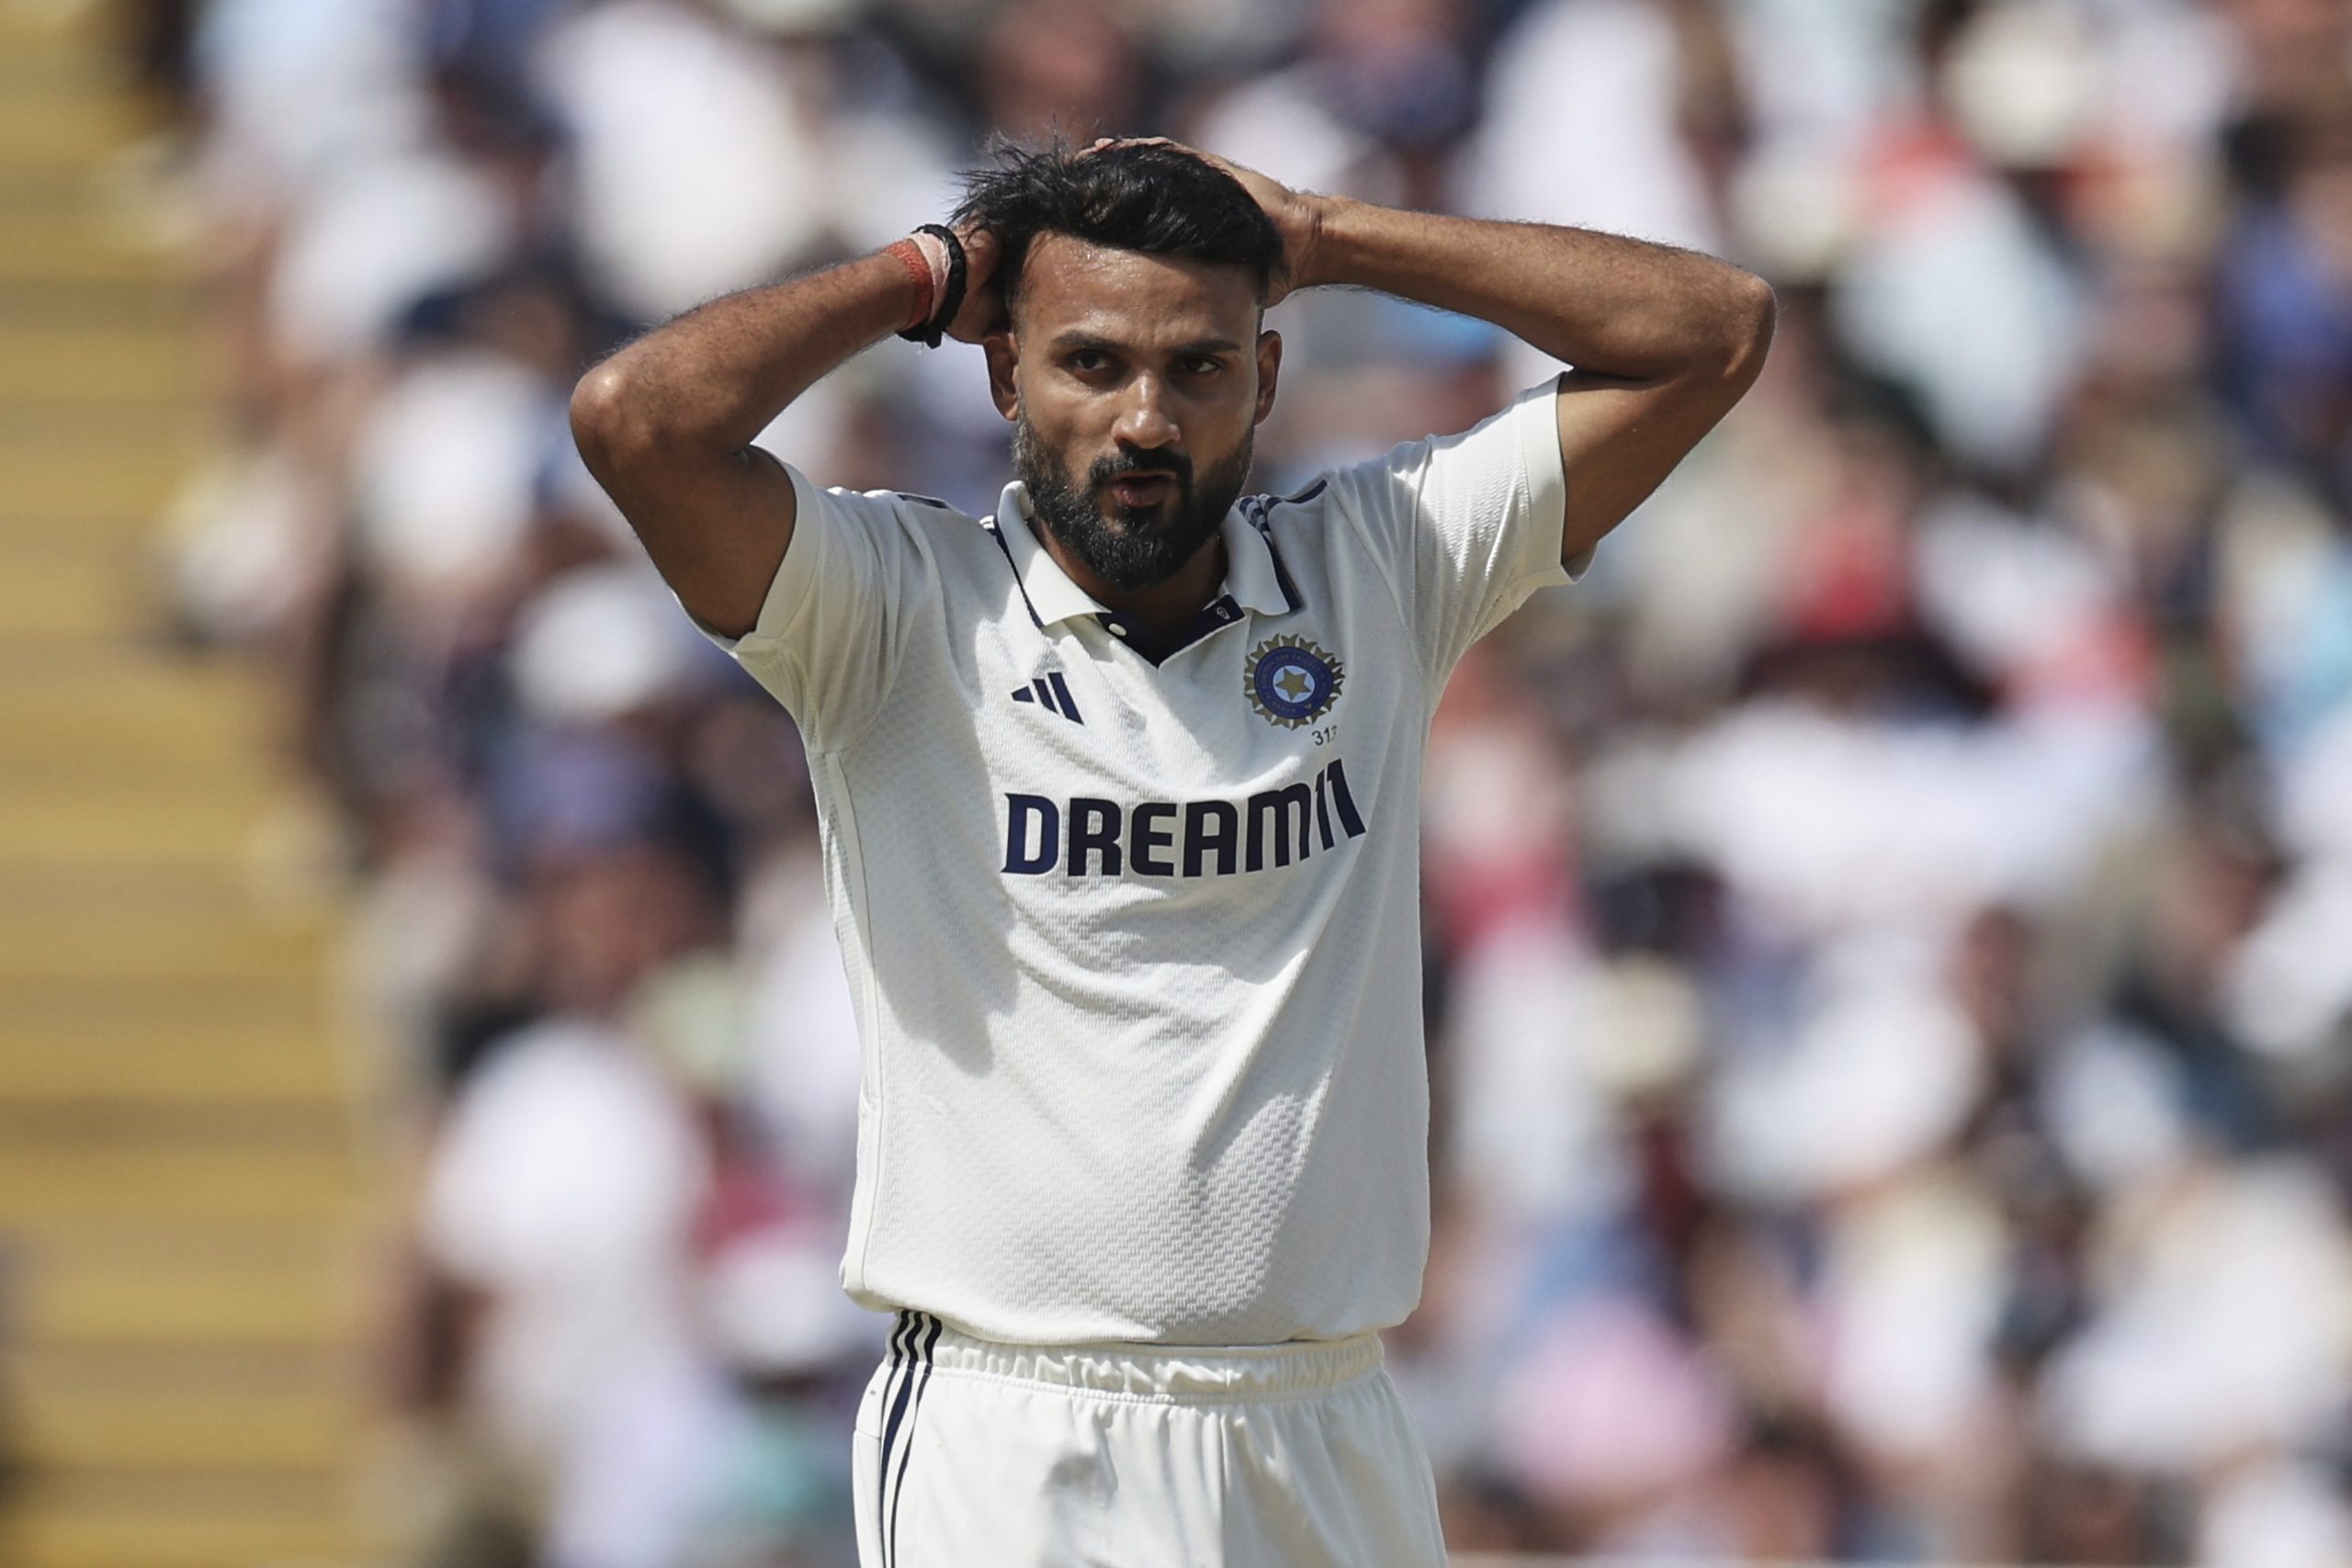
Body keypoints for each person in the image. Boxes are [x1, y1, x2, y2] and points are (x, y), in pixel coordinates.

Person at [569, 137, 1773, 1568]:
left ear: (1264, 379)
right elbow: (636, 421)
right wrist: (930, 271)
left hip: (1324, 1417)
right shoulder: (894, 611)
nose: (1145, 419)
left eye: (1198, 368)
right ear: (1004, 373)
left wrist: (1328, 236)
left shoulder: (1381, 564)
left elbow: (1717, 332)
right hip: (1022, 1432)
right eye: (1090, 363)